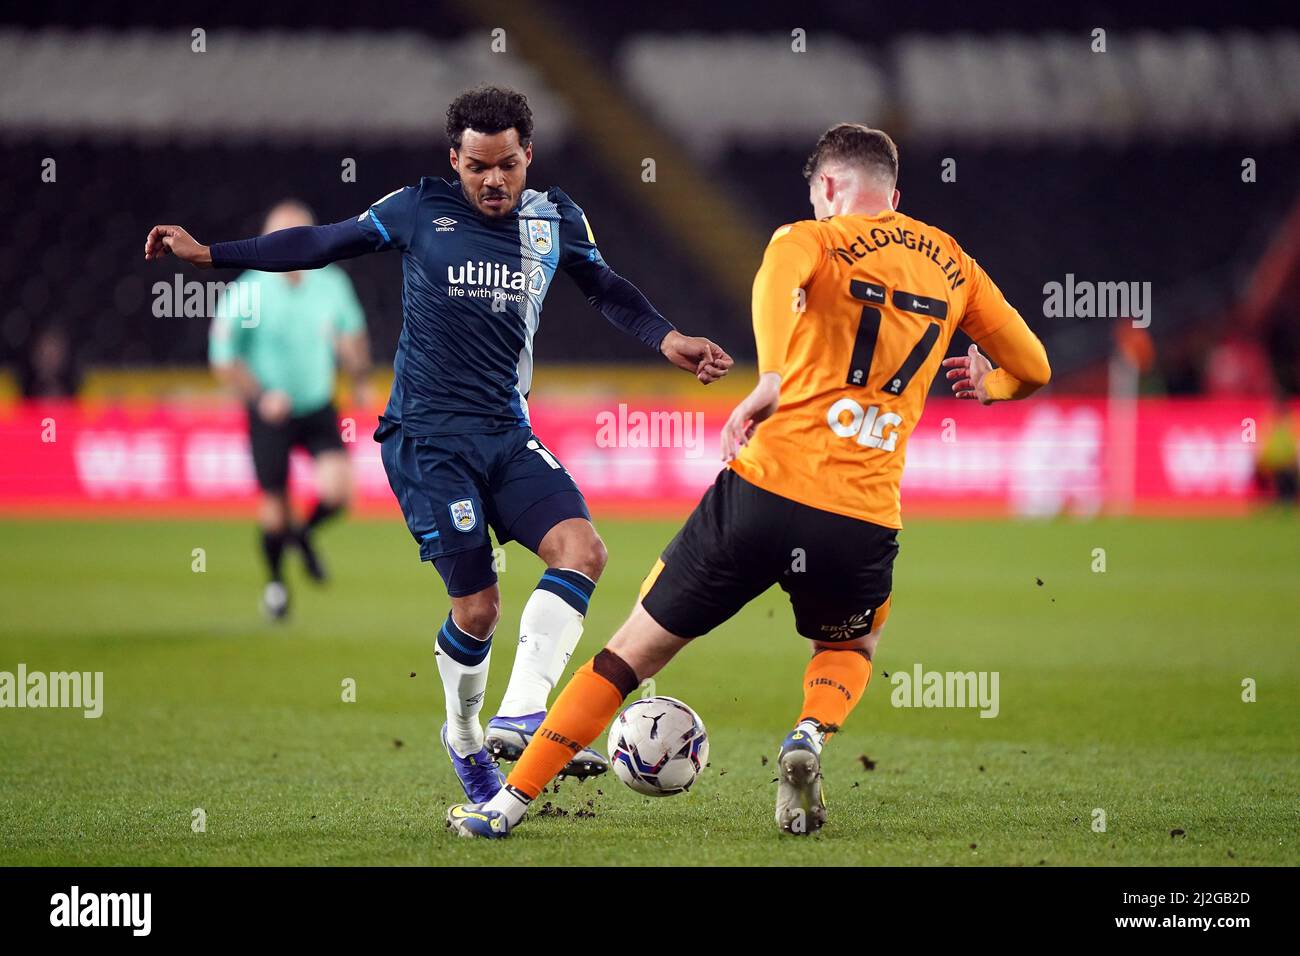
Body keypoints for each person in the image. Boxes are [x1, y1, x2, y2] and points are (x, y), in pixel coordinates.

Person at [447, 122, 1051, 838]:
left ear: (828, 186)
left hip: (763, 492)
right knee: (850, 647)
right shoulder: (954, 264)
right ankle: (808, 736)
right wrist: (993, 386)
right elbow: (1035, 367)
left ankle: (505, 806)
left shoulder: (812, 237)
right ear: (894, 191)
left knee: (629, 653)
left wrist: (769, 379)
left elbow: (775, 279)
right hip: (861, 517)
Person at [146, 86, 732, 803]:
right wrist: (210, 254)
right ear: (453, 159)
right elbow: (322, 240)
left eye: (508, 165)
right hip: (426, 441)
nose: (493, 180)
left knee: (583, 550)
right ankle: (463, 735)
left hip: (508, 436)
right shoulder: (416, 208)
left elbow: (603, 286)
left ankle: (519, 716)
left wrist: (667, 337)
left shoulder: (555, 219)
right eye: (478, 165)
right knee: (478, 609)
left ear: (528, 157)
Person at [208, 200, 372, 620]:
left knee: (338, 493)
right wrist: (260, 395)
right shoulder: (248, 289)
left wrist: (357, 376)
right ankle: (277, 584)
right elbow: (224, 358)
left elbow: (352, 334)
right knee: (274, 510)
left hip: (317, 403)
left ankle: (303, 535)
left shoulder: (330, 282)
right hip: (270, 412)